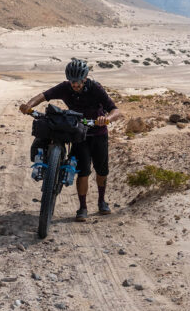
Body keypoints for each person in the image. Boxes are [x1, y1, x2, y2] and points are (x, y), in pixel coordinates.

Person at [18, 58, 121, 221]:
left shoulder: (95, 88)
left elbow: (115, 109)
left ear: (85, 78)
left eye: (78, 82)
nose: (75, 85)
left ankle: (102, 201)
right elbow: (44, 96)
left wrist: (107, 119)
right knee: (83, 172)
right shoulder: (65, 88)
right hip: (80, 134)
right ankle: (82, 208)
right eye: (72, 82)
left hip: (99, 133)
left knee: (102, 171)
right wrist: (28, 106)